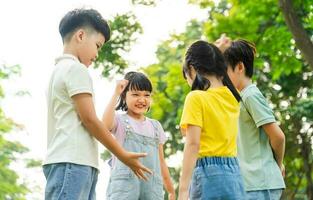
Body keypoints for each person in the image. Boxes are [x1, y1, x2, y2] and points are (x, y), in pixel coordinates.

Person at [43, 8, 151, 200]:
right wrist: (123, 154)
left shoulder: (58, 71)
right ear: (81, 36)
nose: (97, 54)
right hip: (72, 162)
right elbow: (90, 119)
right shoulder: (76, 69)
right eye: (98, 45)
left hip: (74, 161)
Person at [178, 40, 246, 200]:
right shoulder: (233, 96)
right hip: (234, 174)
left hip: (207, 173)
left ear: (192, 69)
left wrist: (183, 190)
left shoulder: (196, 98)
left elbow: (192, 144)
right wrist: (216, 51)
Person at [224, 39, 286, 199]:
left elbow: (278, 137)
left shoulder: (250, 95)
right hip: (250, 184)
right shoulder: (240, 98)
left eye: (225, 71)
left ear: (239, 67)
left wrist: (277, 166)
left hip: (262, 183)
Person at [103, 71, 176, 200]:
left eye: (146, 95)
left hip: (151, 190)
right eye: (135, 94)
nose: (142, 99)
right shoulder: (119, 120)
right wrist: (116, 93)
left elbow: (161, 162)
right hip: (124, 190)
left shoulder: (156, 127)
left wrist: (170, 190)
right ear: (124, 96)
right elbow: (104, 125)